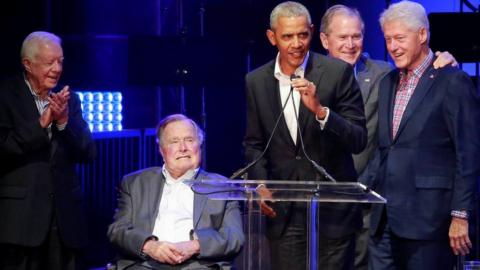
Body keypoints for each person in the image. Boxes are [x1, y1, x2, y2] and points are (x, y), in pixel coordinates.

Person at [318, 5, 458, 270]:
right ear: (325, 40)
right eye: (343, 37)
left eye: (357, 36)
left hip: (371, 203)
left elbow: (424, 71)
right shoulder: (308, 77)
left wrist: (446, 59)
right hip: (324, 203)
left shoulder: (385, 75)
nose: (351, 44)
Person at [243, 2, 367, 269]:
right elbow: (254, 144)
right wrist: (260, 185)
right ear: (272, 37)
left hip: (333, 214)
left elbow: (358, 139)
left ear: (312, 32)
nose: (297, 43)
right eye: (287, 36)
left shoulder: (337, 73)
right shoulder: (256, 81)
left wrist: (321, 111)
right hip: (285, 212)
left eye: (303, 34)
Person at [359, 1, 480, 269]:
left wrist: (460, 215)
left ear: (422, 35)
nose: (393, 47)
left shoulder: (452, 81)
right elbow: (386, 149)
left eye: (400, 38)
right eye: (388, 39)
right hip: (385, 221)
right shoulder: (388, 82)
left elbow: (468, 155)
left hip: (429, 221)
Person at [0, 31, 96, 270]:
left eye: (60, 61)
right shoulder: (4, 95)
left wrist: (63, 122)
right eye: (49, 62)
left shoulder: (68, 100)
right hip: (20, 222)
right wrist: (41, 124)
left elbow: (88, 153)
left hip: (64, 222)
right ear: (28, 64)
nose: (57, 68)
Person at [108, 114, 244, 270]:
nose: (183, 148)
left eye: (189, 140)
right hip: (146, 264)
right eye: (174, 141)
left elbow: (235, 238)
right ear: (161, 150)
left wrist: (195, 246)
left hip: (198, 265)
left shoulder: (222, 185)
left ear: (199, 146)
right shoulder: (134, 183)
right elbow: (117, 230)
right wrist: (150, 246)